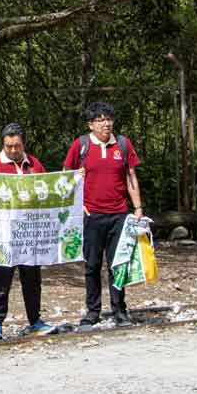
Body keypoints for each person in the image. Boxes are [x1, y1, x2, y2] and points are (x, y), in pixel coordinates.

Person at [62, 102, 144, 330]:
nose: (106, 123)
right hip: (91, 215)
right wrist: (76, 205)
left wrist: (137, 207)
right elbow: (67, 177)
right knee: (92, 265)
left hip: (119, 214)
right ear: (91, 124)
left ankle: (120, 310)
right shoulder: (81, 145)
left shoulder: (123, 145)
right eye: (100, 119)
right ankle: (93, 311)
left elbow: (130, 176)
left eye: (109, 118)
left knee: (118, 264)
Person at [0, 123, 55, 341]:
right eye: (8, 146)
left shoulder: (34, 164)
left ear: (23, 143)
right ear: (3, 145)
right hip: (4, 237)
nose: (13, 151)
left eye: (17, 146)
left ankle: (35, 321)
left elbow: (47, 194)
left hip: (29, 235)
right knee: (1, 281)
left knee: (32, 280)